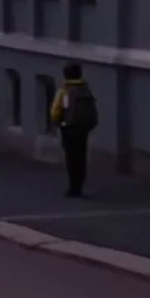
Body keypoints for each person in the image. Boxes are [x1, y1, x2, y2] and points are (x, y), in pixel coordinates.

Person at [49, 63, 98, 198]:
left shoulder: (65, 91)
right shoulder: (85, 89)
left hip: (69, 127)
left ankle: (73, 188)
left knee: (71, 157)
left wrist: (58, 121)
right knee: (81, 156)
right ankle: (80, 185)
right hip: (83, 128)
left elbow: (56, 111)